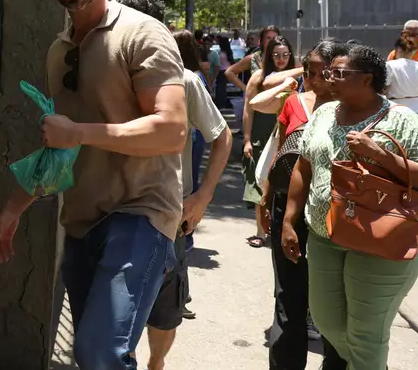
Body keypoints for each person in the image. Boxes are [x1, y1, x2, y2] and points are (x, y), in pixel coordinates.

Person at [0, 0, 188, 370]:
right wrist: (14, 209)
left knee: (100, 355)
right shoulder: (58, 53)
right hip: (81, 225)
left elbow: (171, 130)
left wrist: (79, 131)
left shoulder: (142, 33)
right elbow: (60, 149)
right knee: (95, 358)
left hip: (141, 213)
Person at [281, 43, 418, 370]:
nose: (329, 79)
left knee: (366, 334)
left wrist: (382, 155)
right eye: (329, 73)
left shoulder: (402, 120)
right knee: (327, 322)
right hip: (324, 237)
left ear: (367, 79)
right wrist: (288, 220)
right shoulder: (325, 113)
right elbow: (303, 166)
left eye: (339, 73)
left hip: (378, 242)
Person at [252, 40, 345, 370]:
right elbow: (279, 152)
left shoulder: (351, 109)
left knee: (333, 302)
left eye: (323, 72)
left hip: (335, 216)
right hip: (287, 211)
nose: (315, 78)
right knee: (289, 297)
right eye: (310, 71)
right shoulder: (293, 103)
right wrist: (265, 199)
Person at [144, 29, 232, 370]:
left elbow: (222, 135)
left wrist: (203, 196)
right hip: (114, 207)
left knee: (165, 306)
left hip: (169, 212)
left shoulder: (183, 80)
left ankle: (155, 364)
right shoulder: (110, 73)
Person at [242, 35, 295, 247]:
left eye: (285, 55)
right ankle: (260, 231)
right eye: (276, 55)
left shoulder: (296, 77)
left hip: (285, 133)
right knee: (260, 182)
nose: (281, 59)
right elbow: (248, 109)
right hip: (262, 133)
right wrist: (246, 139)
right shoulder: (260, 77)